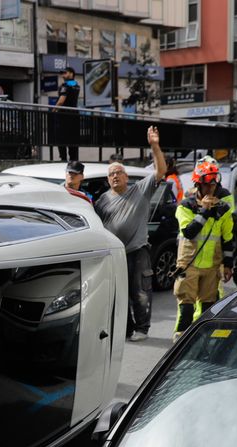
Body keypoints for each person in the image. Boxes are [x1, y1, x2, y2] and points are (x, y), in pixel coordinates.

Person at [93, 126, 166, 342]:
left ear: (126, 176)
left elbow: (160, 171)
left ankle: (142, 328)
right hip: (114, 255)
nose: (115, 176)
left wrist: (154, 146)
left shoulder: (140, 189)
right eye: (111, 174)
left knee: (140, 291)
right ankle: (126, 329)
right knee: (119, 294)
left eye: (118, 173)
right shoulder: (102, 201)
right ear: (108, 180)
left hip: (137, 251)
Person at [173, 159, 235, 341]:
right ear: (198, 185)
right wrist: (205, 211)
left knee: (209, 307)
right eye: (206, 185)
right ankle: (179, 341)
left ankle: (204, 342)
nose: (210, 189)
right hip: (188, 263)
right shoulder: (186, 206)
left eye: (213, 185)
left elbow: (228, 238)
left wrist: (229, 264)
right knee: (186, 306)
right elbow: (189, 232)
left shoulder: (223, 209)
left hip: (212, 265)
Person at [54, 67, 80, 162]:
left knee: (61, 137)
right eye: (62, 73)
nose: (63, 75)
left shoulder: (65, 86)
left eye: (65, 73)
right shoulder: (76, 85)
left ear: (71, 73)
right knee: (73, 138)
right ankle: (74, 159)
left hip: (64, 115)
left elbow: (61, 101)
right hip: (74, 115)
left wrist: (54, 110)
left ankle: (63, 159)